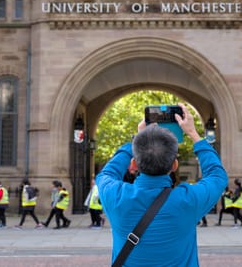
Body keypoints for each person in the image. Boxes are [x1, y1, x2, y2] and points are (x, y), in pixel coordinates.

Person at [96, 103, 228, 267]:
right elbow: (217, 176)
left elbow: (106, 174)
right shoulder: (188, 200)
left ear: (133, 164)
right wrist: (193, 134)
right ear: (174, 165)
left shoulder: (115, 196)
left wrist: (137, 140)